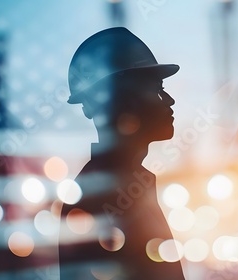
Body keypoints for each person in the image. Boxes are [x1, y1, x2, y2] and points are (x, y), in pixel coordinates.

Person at [58, 27, 185, 279]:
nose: (169, 100)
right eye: (156, 89)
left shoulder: (126, 184)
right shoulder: (101, 198)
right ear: (121, 98)